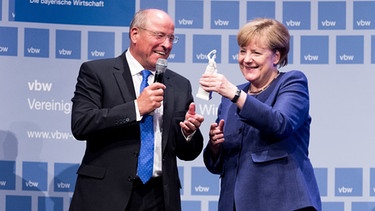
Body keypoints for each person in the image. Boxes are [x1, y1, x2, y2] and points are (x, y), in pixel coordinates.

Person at [69, 9, 204, 211]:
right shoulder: (97, 72)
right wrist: (135, 108)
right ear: (135, 34)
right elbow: (81, 124)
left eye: (171, 38)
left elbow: (188, 153)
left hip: (159, 198)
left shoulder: (179, 85)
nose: (167, 45)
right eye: (159, 35)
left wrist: (188, 133)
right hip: (105, 196)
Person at [199, 18, 321, 211]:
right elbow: (217, 165)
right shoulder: (229, 98)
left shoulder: (292, 82)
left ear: (276, 56)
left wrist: (234, 93)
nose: (247, 59)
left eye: (256, 52)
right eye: (242, 51)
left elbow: (280, 123)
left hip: (282, 202)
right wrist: (215, 146)